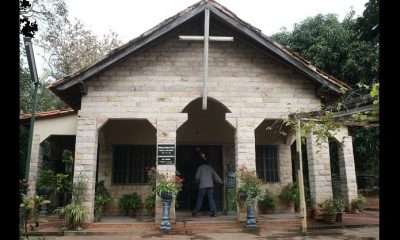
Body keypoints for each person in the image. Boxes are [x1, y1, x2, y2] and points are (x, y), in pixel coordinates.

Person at [192, 147, 224, 217]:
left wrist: (196, 181)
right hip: (210, 186)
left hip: (202, 186)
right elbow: (216, 176)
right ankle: (214, 212)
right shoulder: (210, 167)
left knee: (200, 199)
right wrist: (221, 182)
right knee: (211, 199)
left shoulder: (200, 168)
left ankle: (195, 211)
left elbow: (197, 177)